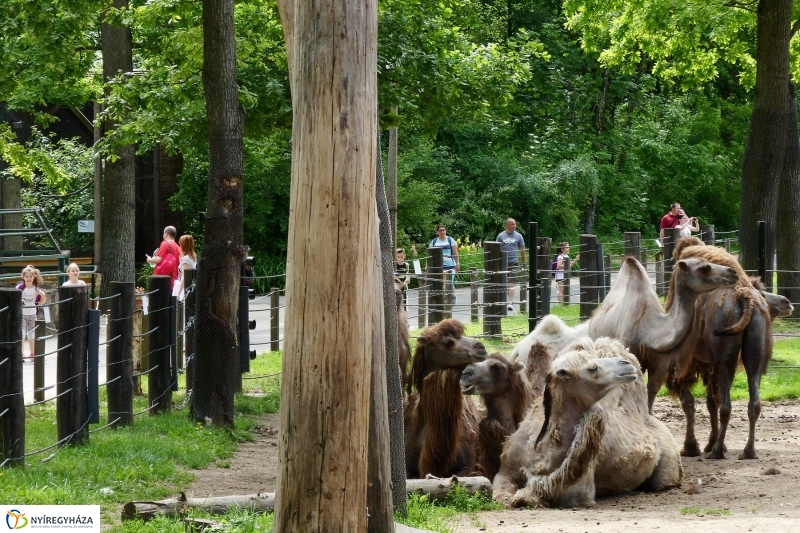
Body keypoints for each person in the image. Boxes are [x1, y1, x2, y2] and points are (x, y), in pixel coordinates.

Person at [17, 265, 46, 363]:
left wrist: (42, 295)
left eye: (30, 276)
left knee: (31, 334)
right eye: (26, 276)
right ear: (23, 277)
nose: (28, 278)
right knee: (21, 333)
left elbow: (43, 301)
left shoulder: (36, 289)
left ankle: (32, 353)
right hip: (22, 314)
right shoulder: (20, 288)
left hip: (32, 314)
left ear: (34, 277)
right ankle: (20, 353)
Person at [497, 218, 526, 311]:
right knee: (504, 283)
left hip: (513, 262)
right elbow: (496, 249)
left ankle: (510, 302)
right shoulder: (501, 236)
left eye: (515, 224)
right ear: (508, 225)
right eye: (513, 224)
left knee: (511, 282)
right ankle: (507, 300)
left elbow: (522, 250)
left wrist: (524, 263)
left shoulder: (519, 236)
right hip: (503, 262)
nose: (515, 226)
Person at [430, 224, 459, 304]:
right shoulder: (434, 241)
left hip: (450, 265)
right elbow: (429, 254)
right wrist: (427, 265)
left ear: (446, 231)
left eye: (443, 230)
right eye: (440, 230)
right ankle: (444, 299)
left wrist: (457, 263)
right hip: (439, 266)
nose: (442, 232)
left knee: (450, 281)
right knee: (442, 282)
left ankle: (453, 296)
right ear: (437, 232)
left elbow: (455, 252)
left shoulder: (450, 240)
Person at [174, 234, 197, 300]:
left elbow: (184, 276)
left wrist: (178, 292)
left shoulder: (186, 259)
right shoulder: (193, 257)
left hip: (183, 288)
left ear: (184, 245)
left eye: (180, 244)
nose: (179, 246)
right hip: (188, 286)